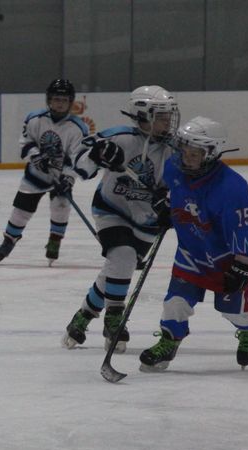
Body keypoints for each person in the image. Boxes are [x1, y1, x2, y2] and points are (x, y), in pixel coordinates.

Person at [139, 116, 248, 371]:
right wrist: (167, 208)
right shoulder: (176, 167)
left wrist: (243, 266)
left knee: (232, 311)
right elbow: (171, 191)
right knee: (175, 302)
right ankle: (169, 340)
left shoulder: (232, 188)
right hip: (192, 251)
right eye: (184, 149)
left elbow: (247, 227)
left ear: (211, 153)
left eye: (194, 153)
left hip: (225, 260)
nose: (187, 157)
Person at [61, 85, 180, 353]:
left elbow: (185, 183)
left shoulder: (173, 149)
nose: (167, 122)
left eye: (168, 115)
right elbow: (80, 161)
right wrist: (97, 154)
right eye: (161, 115)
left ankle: (83, 316)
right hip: (111, 209)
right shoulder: (121, 137)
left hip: (148, 220)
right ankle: (115, 318)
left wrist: (171, 202)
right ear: (142, 115)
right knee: (123, 256)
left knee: (118, 268)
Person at [0, 78, 89, 266]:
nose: (60, 103)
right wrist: (36, 156)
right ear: (49, 100)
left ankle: (55, 239)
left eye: (64, 100)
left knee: (61, 206)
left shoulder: (78, 128)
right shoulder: (35, 118)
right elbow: (25, 143)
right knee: (21, 209)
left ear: (71, 102)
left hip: (60, 176)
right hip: (35, 175)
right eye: (56, 99)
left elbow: (79, 158)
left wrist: (68, 178)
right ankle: (9, 240)